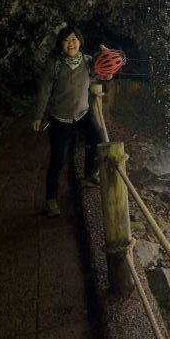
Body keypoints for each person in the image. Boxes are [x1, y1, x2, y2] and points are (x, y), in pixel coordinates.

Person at [33, 25, 109, 217]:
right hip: (59, 119)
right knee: (57, 162)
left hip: (82, 115)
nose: (71, 43)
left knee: (99, 139)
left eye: (74, 39)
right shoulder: (54, 64)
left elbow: (105, 73)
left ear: (80, 42)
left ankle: (90, 175)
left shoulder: (87, 62)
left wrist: (107, 57)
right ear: (61, 44)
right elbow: (44, 90)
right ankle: (51, 201)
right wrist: (38, 115)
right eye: (67, 40)